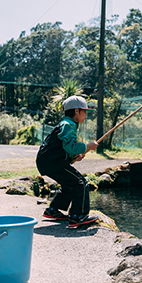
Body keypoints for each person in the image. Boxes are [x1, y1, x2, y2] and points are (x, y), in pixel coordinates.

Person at [36, 95, 99, 228]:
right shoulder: (69, 124)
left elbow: (63, 148)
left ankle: (53, 210)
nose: (85, 115)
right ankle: (78, 216)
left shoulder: (66, 124)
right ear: (77, 111)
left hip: (48, 161)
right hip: (53, 162)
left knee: (69, 184)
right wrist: (88, 147)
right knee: (80, 183)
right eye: (85, 111)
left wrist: (73, 156)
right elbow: (70, 147)